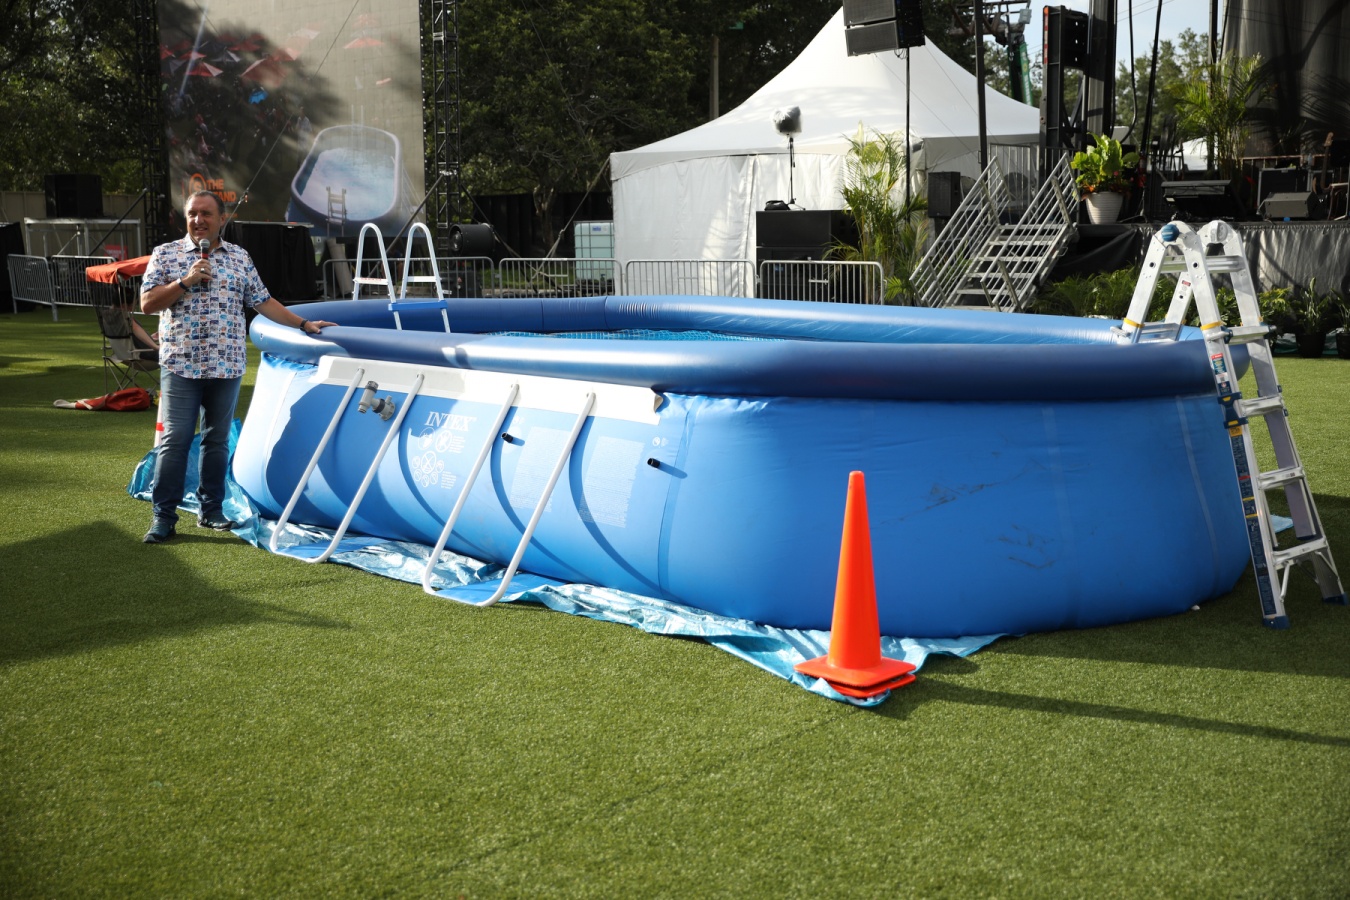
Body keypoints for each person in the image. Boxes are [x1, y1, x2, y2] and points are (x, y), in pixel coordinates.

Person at [139, 190, 336, 544]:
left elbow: (263, 301)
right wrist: (184, 281)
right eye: (192, 213)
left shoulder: (239, 257)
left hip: (226, 365)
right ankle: (163, 516)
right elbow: (148, 303)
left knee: (216, 442)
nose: (198, 220)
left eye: (206, 214)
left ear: (221, 219)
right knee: (175, 441)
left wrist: (303, 324)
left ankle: (211, 509)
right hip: (181, 365)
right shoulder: (165, 254)